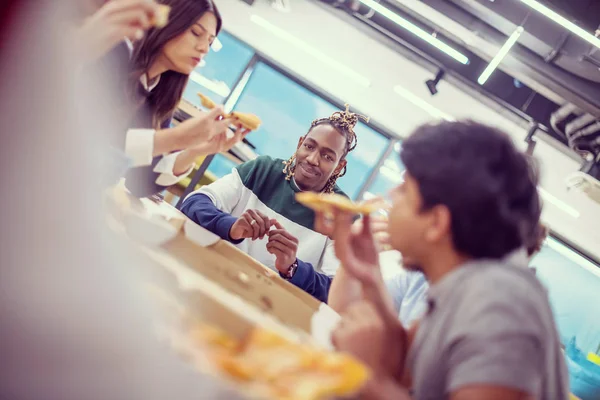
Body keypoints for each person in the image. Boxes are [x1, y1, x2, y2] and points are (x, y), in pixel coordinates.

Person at [320, 121, 569, 399]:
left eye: (404, 189)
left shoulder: (500, 304)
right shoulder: (462, 284)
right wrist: (368, 276)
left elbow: (387, 375)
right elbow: (404, 364)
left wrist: (368, 378)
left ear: (437, 222)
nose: (391, 196)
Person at [181, 105, 368, 303]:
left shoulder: (343, 215)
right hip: (214, 278)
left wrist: (292, 267)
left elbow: (336, 292)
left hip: (276, 306)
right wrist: (231, 227)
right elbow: (193, 203)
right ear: (300, 143)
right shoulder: (262, 169)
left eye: (327, 156)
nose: (313, 159)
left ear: (339, 166)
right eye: (309, 146)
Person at [82, 0, 247, 197]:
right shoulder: (114, 53)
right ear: (167, 22)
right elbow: (87, 144)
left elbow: (142, 183)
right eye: (196, 32)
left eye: (210, 42)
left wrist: (194, 150)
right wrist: (174, 139)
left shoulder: (161, 98)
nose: (204, 48)